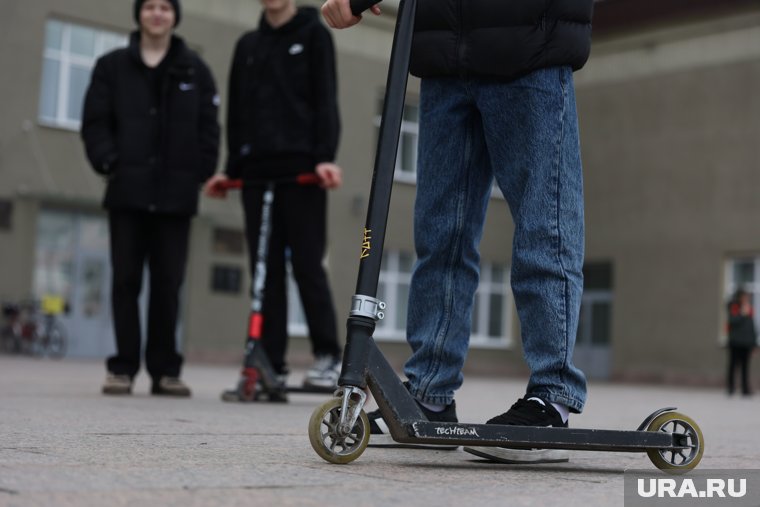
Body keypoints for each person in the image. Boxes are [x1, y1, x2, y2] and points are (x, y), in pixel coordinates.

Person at [321, 0, 592, 463]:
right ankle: (429, 392)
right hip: (443, 52)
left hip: (527, 44)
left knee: (545, 232)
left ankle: (553, 398)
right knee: (440, 236)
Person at [81, 0, 220, 397]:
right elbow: (94, 122)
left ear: (175, 15)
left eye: (165, 6)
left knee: (168, 283)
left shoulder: (195, 69)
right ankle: (123, 367)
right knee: (125, 281)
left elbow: (209, 128)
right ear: (139, 13)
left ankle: (165, 371)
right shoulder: (111, 67)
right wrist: (110, 161)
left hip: (176, 197)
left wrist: (201, 171)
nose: (157, 13)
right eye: (150, 6)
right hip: (127, 192)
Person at [204, 0, 343, 389]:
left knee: (307, 264)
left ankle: (328, 356)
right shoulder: (248, 44)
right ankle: (270, 361)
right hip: (256, 172)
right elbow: (237, 110)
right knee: (264, 272)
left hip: (302, 171)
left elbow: (325, 99)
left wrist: (324, 158)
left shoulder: (314, 34)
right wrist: (231, 169)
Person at [726, 289, 757, 396]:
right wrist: (742, 314)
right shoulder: (734, 307)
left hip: (746, 343)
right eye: (744, 296)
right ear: (739, 297)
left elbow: (752, 326)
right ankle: (730, 388)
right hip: (735, 342)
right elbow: (731, 321)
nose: (746, 298)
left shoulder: (749, 308)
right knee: (733, 366)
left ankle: (745, 389)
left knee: (745, 367)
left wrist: (754, 343)